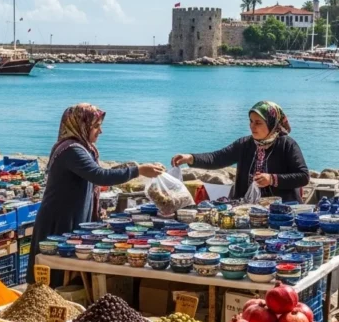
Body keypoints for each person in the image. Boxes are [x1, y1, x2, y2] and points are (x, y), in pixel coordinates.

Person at [28, 103, 163, 282]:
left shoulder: (81, 147)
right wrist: (137, 170)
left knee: (67, 270)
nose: (101, 131)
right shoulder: (72, 150)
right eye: (96, 126)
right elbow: (99, 176)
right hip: (60, 220)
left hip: (70, 217)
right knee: (57, 272)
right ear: (81, 124)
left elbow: (96, 173)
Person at [172, 100, 309, 202]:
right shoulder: (244, 144)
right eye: (251, 121)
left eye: (258, 123)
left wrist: (272, 179)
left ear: (272, 123)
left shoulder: (287, 144)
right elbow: (218, 158)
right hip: (245, 208)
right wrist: (190, 158)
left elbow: (303, 176)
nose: (252, 126)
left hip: (281, 210)